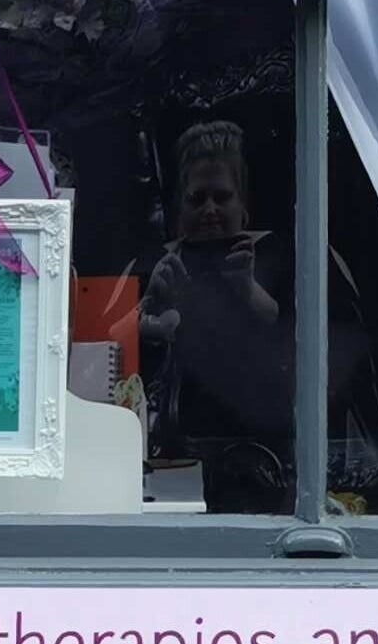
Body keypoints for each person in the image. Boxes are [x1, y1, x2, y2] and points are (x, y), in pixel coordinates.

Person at [137, 121, 297, 510]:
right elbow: (107, 356)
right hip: (174, 466)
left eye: (222, 197)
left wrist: (249, 291)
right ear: (178, 210)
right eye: (197, 198)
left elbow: (310, 343)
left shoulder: (284, 259)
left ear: (244, 207)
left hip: (277, 460)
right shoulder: (155, 265)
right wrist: (151, 310)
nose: (210, 210)